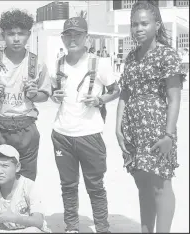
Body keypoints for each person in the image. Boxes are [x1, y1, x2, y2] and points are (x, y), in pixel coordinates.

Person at [116, 2, 186, 232]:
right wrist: (118, 128)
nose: (138, 28)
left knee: (161, 185)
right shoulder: (131, 57)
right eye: (134, 24)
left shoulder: (167, 55)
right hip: (134, 129)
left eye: (144, 23)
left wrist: (168, 135)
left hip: (158, 129)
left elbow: (174, 99)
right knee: (143, 185)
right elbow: (124, 93)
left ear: (157, 25)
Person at [50, 17, 120, 233]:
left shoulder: (100, 64)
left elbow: (116, 90)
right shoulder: (58, 64)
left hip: (90, 134)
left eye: (77, 35)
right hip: (62, 133)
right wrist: (55, 96)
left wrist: (100, 100)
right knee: (68, 186)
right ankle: (71, 226)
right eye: (68, 35)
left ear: (86, 38)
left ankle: (101, 227)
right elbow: (55, 95)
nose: (73, 39)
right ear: (62, 38)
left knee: (95, 186)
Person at [0, 9, 50, 183]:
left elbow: (45, 95)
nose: (16, 39)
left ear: (29, 34)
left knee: (26, 178)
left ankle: (22, 210)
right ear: (3, 35)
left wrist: (33, 94)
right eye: (11, 34)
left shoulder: (37, 63)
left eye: (21, 34)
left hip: (26, 125)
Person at [0, 145, 49, 233]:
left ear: (17, 167)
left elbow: (38, 221)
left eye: (5, 166)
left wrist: (13, 218)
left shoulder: (28, 186)